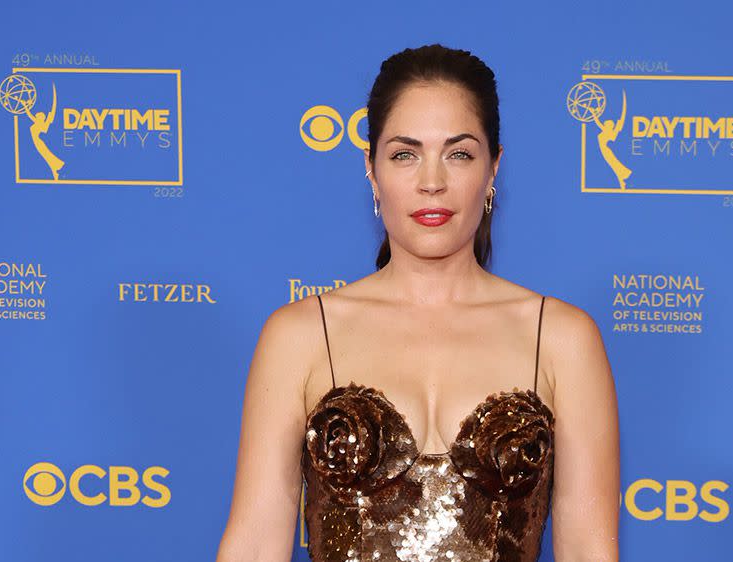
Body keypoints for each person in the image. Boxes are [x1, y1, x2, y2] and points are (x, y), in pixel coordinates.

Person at [215, 43, 619, 562]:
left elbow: (589, 549)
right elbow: (254, 543)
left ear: (494, 168)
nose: (432, 182)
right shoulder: (300, 335)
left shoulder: (562, 339)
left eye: (459, 154)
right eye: (405, 154)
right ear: (371, 169)